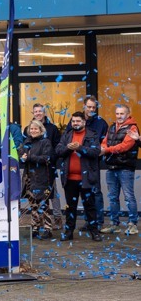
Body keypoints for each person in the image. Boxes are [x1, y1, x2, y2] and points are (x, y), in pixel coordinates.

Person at [56, 112, 102, 242]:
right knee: (70, 207)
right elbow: (58, 151)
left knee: (90, 207)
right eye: (73, 121)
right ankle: (69, 232)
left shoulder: (92, 135)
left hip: (87, 178)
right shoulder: (67, 135)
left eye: (78, 121)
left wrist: (80, 148)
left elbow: (96, 152)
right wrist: (68, 148)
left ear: (84, 122)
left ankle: (94, 232)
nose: (75, 123)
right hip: (69, 178)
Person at [65, 96, 108, 231]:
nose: (91, 109)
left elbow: (104, 142)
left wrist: (99, 150)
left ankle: (97, 223)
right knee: (76, 200)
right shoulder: (74, 121)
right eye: (89, 107)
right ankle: (86, 223)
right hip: (73, 168)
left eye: (94, 107)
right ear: (84, 106)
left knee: (95, 195)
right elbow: (65, 139)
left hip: (91, 165)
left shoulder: (101, 123)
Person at [22, 103, 63, 229]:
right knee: (33, 201)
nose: (38, 113)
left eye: (40, 111)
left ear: (44, 113)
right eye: (36, 111)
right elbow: (23, 152)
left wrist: (50, 161)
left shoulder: (52, 129)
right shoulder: (27, 136)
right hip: (31, 175)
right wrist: (22, 156)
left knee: (50, 197)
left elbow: (55, 149)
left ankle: (56, 220)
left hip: (46, 171)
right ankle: (36, 225)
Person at [100, 104, 138, 235]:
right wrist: (103, 147)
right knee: (112, 198)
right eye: (117, 113)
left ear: (128, 114)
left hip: (125, 168)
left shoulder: (132, 128)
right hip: (111, 167)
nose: (119, 116)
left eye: (122, 113)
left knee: (129, 197)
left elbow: (124, 146)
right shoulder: (112, 127)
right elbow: (105, 141)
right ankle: (114, 224)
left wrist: (106, 150)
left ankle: (133, 224)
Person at [21, 120, 54, 239]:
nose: (33, 131)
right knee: (33, 204)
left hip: (42, 177)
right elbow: (22, 156)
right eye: (31, 129)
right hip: (29, 178)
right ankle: (35, 227)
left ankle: (48, 228)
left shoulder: (46, 142)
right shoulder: (27, 142)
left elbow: (46, 158)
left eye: (36, 129)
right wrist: (22, 157)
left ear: (41, 130)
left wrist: (30, 157)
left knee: (43, 204)